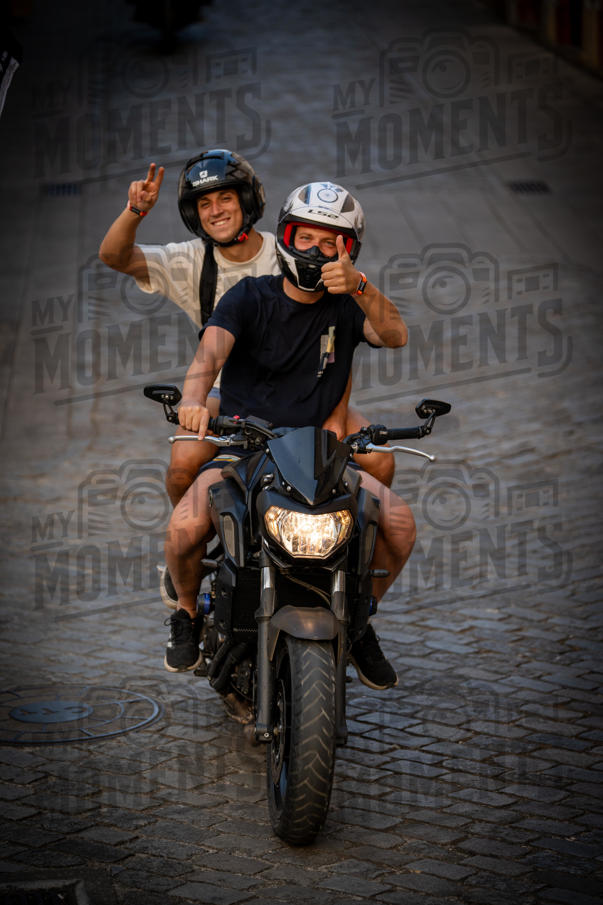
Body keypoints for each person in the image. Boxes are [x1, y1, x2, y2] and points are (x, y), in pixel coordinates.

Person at [99, 152, 395, 606]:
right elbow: (114, 256)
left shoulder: (299, 245)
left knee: (380, 462)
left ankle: (345, 548)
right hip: (228, 388)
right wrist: (135, 211)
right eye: (204, 204)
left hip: (311, 384)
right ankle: (199, 548)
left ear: (249, 202)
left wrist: (336, 413)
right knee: (183, 463)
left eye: (225, 198)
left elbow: (337, 343)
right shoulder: (190, 261)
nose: (215, 210)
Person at [162, 182, 416, 694]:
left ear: (348, 250)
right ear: (286, 237)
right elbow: (209, 355)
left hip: (320, 454)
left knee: (401, 525)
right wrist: (193, 398)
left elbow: (395, 335)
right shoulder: (249, 296)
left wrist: (361, 287)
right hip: (246, 448)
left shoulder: (348, 305)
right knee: (184, 530)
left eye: (330, 242)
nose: (316, 251)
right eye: (306, 238)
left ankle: (360, 619)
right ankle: (186, 612)